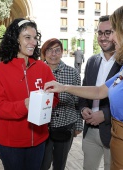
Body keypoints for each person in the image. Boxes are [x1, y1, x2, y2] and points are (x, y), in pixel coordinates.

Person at [44, 2, 123, 170]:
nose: (111, 38)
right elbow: (99, 91)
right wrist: (62, 87)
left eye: (114, 31)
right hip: (121, 149)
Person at [0, 18, 59, 170]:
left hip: (39, 140)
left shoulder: (43, 68)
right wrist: (24, 105)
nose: (33, 42)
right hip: (11, 144)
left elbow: (54, 98)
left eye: (35, 38)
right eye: (27, 37)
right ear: (15, 39)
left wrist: (46, 101)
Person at [79, 15, 121, 170]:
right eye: (100, 33)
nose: (103, 38)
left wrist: (105, 115)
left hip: (113, 132)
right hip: (89, 131)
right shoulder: (91, 61)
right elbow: (84, 92)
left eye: (108, 32)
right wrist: (83, 109)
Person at [40, 38, 83, 170]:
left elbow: (78, 101)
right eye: (49, 50)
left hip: (65, 126)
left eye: (57, 50)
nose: (53, 54)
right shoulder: (36, 71)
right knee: (43, 164)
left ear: (62, 52)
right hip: (42, 128)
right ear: (44, 53)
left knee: (60, 164)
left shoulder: (73, 73)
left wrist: (78, 125)